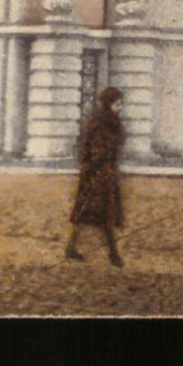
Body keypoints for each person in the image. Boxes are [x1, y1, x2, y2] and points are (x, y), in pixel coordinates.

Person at [66, 87, 127, 267]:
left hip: (103, 174)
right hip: (98, 175)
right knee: (102, 216)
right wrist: (96, 167)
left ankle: (71, 248)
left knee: (87, 214)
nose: (120, 107)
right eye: (117, 104)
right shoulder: (101, 124)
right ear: (108, 105)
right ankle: (114, 255)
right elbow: (95, 150)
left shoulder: (110, 123)